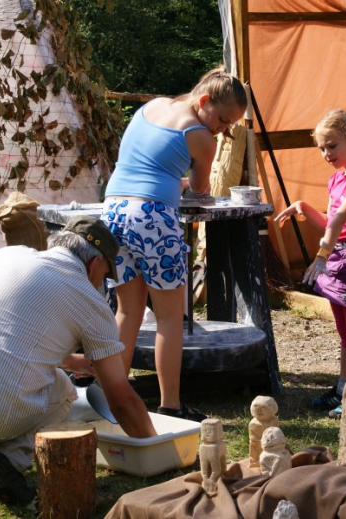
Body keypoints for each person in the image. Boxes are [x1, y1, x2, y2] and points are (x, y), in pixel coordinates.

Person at [0, 216, 157, 505]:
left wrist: (66, 359)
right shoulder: (91, 303)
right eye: (106, 274)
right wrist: (155, 447)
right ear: (95, 264)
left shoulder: (6, 257)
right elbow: (120, 398)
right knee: (63, 391)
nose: (102, 283)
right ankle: (5, 463)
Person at [100, 66, 247, 422]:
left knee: (127, 311)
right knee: (169, 318)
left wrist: (172, 181)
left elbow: (148, 164)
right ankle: (171, 405)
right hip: (152, 218)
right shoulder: (200, 135)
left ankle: (112, 400)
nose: (223, 130)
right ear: (205, 100)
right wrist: (188, 187)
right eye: (223, 120)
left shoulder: (150, 107)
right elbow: (199, 191)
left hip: (114, 211)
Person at [275, 109, 346, 418]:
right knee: (344, 334)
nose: (326, 154)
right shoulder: (337, 179)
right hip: (335, 257)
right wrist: (303, 207)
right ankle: (342, 390)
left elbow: (338, 222)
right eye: (321, 148)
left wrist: (321, 256)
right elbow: (328, 224)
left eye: (332, 146)